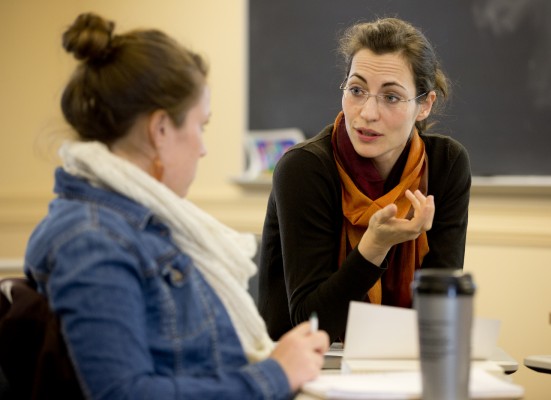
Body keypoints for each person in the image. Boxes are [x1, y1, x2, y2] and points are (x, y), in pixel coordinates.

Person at [24, 12, 329, 399]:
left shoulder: (137, 224)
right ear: (161, 129)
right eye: (200, 126)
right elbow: (124, 394)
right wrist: (275, 374)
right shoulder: (93, 240)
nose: (202, 147)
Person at [258, 17, 471, 341]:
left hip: (401, 359)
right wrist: (375, 246)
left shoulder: (445, 165)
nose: (367, 113)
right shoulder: (304, 169)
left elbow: (441, 309)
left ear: (425, 104)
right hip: (307, 365)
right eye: (356, 90)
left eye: (391, 97)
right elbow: (310, 323)